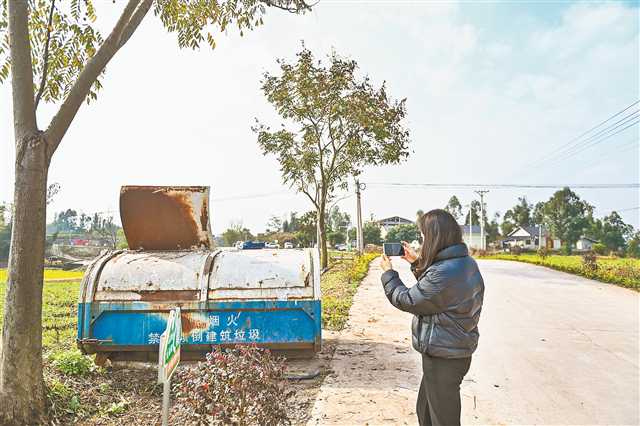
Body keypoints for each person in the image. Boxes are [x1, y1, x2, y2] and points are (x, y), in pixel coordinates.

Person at [380, 209, 484, 426]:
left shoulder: (444, 272)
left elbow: (408, 300)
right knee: (426, 412)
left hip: (444, 357)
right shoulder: (464, 263)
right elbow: (438, 294)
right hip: (451, 351)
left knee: (442, 420)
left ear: (435, 237)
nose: (422, 241)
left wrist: (388, 274)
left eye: (424, 235)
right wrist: (416, 263)